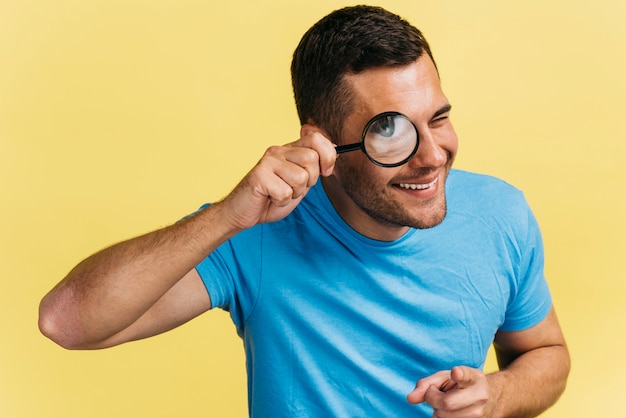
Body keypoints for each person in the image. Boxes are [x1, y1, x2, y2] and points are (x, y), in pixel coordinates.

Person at [39, 5, 570, 417]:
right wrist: (226, 216)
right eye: (390, 132)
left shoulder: (501, 212)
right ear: (322, 144)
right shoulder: (254, 232)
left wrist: (494, 396)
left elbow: (547, 353)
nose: (433, 156)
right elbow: (66, 322)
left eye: (439, 117)